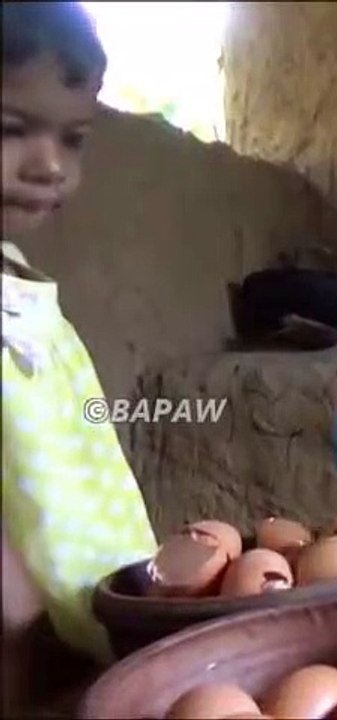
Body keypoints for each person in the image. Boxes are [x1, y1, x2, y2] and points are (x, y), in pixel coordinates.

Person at [2, 0, 159, 686]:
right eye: (11, 129)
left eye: (73, 139)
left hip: (84, 630)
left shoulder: (22, 284)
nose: (51, 166)